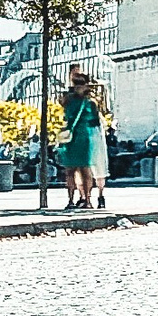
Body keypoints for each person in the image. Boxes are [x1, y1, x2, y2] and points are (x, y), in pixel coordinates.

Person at [59, 65, 105, 211]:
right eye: (76, 84)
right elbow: (95, 122)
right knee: (76, 171)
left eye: (80, 84)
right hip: (80, 137)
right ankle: (80, 199)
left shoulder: (73, 101)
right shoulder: (88, 102)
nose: (78, 87)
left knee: (79, 171)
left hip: (77, 138)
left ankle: (81, 199)